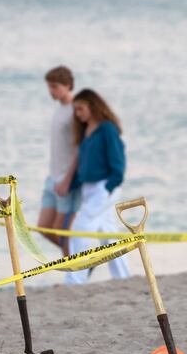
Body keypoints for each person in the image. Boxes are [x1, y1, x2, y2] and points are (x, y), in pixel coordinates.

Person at [64, 88, 131, 284]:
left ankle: (75, 279)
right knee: (108, 234)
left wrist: (110, 186)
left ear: (93, 106)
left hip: (104, 187)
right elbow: (86, 165)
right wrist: (71, 184)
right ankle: (123, 278)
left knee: (79, 229)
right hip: (88, 189)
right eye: (75, 110)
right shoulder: (86, 132)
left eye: (81, 108)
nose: (78, 114)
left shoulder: (107, 129)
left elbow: (118, 161)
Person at [38, 66, 80, 255]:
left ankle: (75, 272)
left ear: (68, 85)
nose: (50, 91)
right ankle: (81, 260)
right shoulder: (59, 109)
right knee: (44, 227)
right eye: (49, 87)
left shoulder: (75, 110)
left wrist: (68, 180)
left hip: (67, 179)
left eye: (54, 87)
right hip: (52, 176)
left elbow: (81, 148)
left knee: (62, 231)